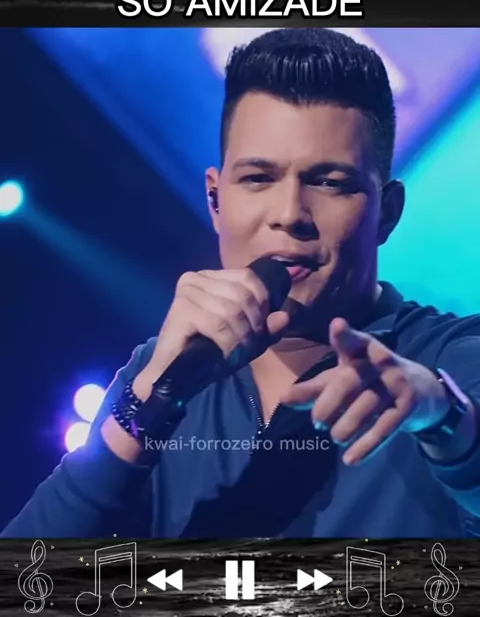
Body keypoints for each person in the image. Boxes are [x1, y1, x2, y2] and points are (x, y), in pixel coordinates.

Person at [3, 28, 480, 539]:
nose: (289, 213)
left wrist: (443, 418)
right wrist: (149, 402)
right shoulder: (159, 370)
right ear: (215, 199)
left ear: (387, 212)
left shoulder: (452, 358)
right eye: (258, 179)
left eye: (329, 183)